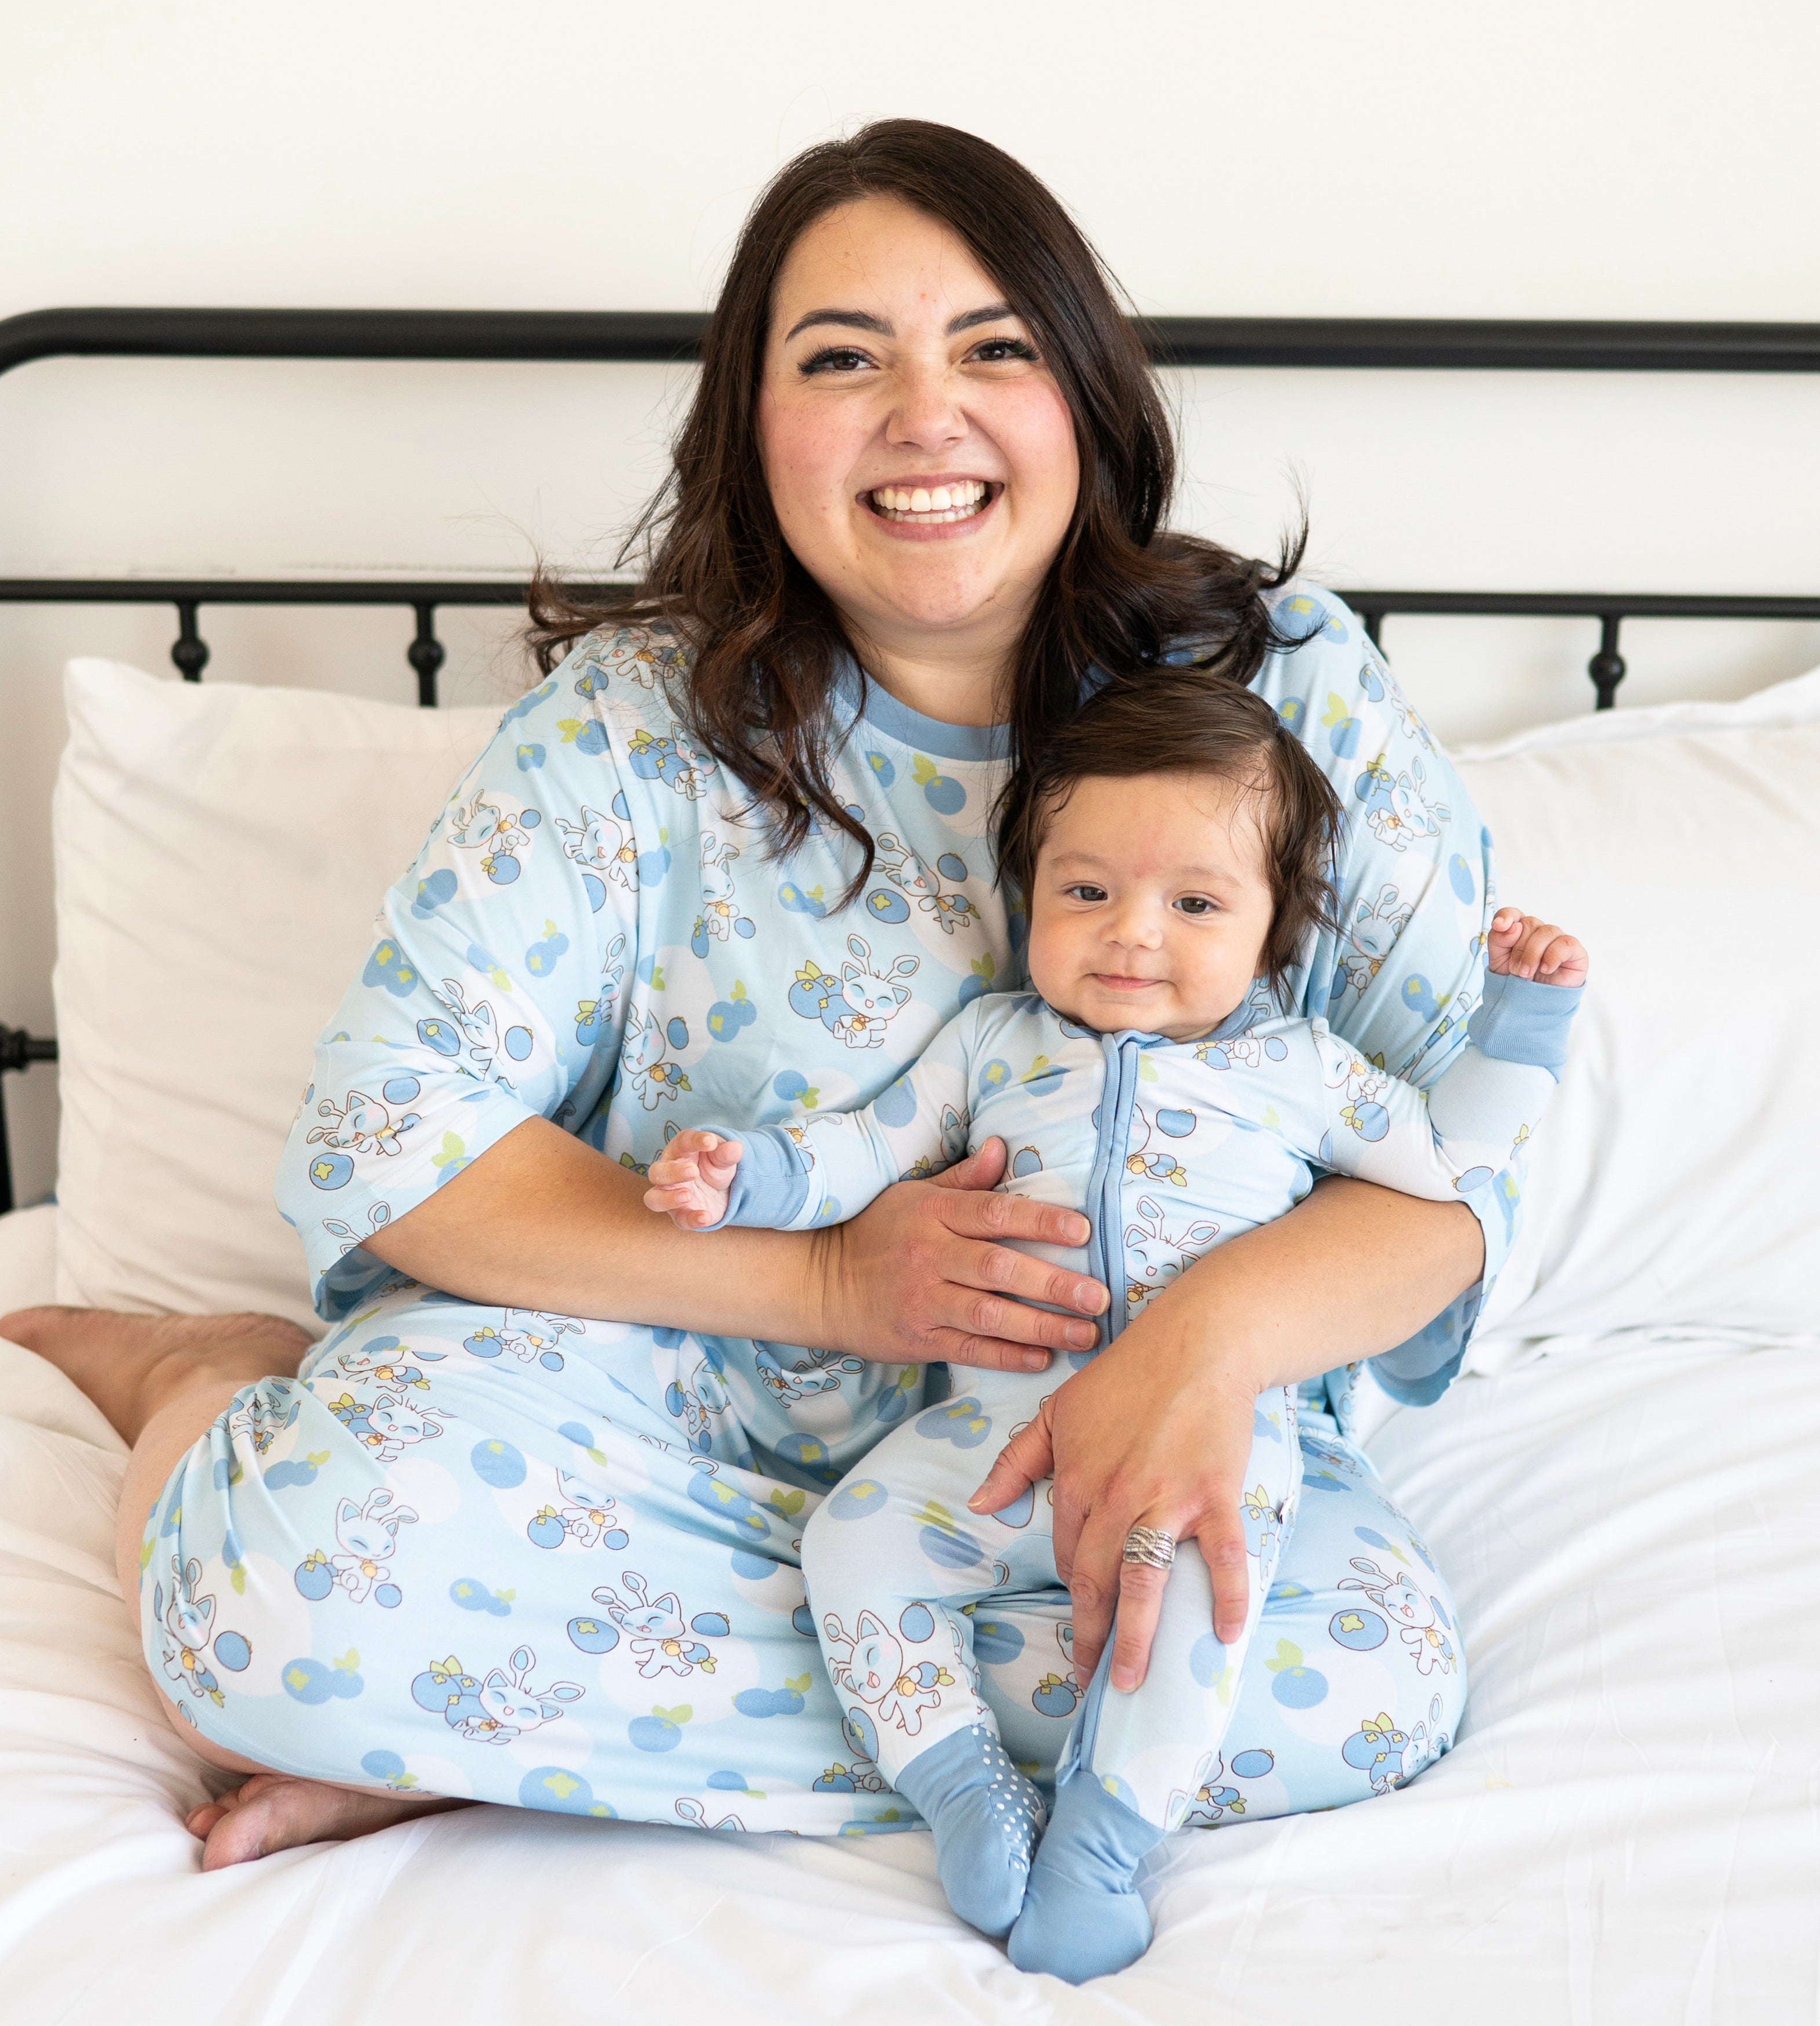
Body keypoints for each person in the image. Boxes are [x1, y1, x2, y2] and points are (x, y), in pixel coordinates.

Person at [0, 121, 1513, 1920]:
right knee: (276, 1591)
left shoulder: (1286, 684)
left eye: (994, 347)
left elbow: (1468, 1163)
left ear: (1089, 391)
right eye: (844, 359)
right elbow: (396, 1148)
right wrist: (834, 1287)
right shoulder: (630, 731)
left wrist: (1202, 1350)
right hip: (678, 1402)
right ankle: (209, 1377)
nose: (929, 417)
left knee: (1375, 1685)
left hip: (1121, 1432)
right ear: (752, 429)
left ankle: (493, 1722)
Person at [644, 668, 1587, 1977]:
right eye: (1085, 891)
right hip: (991, 1439)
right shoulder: (991, 1044)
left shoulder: (1296, 1072)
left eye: (1195, 903)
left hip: (1203, 1446)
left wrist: (1522, 1024)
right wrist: (742, 1178)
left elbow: (1451, 1166)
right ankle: (960, 1783)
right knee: (852, 1546)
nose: (1131, 932)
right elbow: (861, 1150)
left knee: (1193, 1608)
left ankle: (1100, 1835)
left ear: (1273, 932)